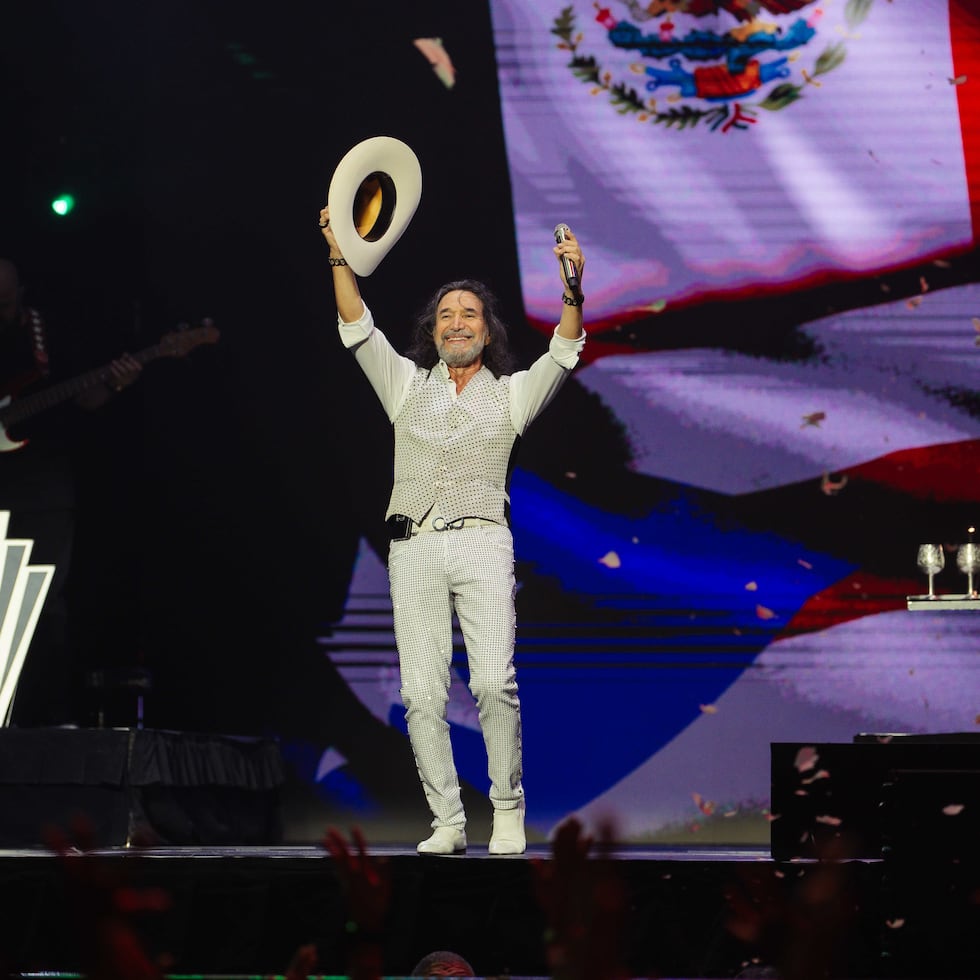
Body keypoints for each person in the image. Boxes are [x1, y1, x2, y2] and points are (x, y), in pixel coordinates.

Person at [319, 206, 586, 855]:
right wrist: (337, 251)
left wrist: (573, 287)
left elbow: (565, 349)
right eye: (446, 314)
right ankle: (447, 819)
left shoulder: (513, 394)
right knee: (419, 694)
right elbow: (356, 324)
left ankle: (507, 808)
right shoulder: (405, 387)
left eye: (469, 313)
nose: (457, 321)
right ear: (433, 332)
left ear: (487, 332)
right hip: (412, 548)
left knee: (494, 683)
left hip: (481, 542)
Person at [0, 257, 141, 725]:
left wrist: (116, 385)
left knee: (44, 605)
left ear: (21, 287)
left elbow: (86, 395)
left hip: (43, 489)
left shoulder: (49, 333)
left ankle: (45, 719)